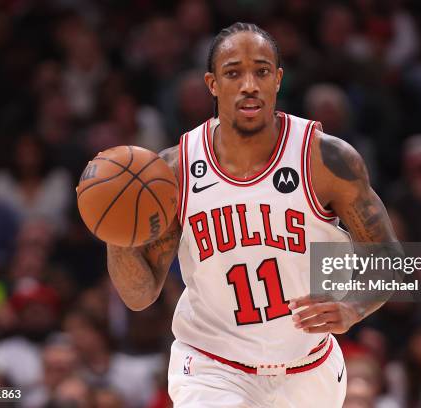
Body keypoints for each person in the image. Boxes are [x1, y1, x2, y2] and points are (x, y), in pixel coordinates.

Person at [106, 22, 398, 407]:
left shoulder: (325, 159)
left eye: (261, 71)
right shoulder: (175, 172)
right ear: (212, 84)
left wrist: (353, 308)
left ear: (277, 79)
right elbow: (141, 296)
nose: (249, 84)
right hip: (212, 366)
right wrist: (115, 231)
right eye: (233, 73)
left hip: (308, 369)